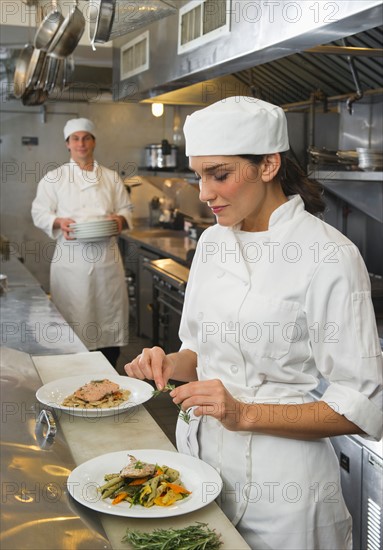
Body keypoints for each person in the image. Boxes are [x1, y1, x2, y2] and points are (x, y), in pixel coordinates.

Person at [124, 97, 383, 549]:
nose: (204, 192)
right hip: (201, 474)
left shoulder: (329, 256)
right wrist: (166, 362)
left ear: (268, 166)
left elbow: (361, 407)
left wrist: (243, 414)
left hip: (286, 496)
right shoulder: (212, 244)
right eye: (200, 174)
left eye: (218, 174)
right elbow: (198, 353)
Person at [32, 118, 133, 367]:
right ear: (67, 144)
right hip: (71, 261)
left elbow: (126, 209)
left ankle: (110, 367)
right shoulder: (53, 178)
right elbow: (39, 212)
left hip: (106, 260)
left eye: (86, 138)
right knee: (73, 317)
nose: (81, 143)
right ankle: (74, 370)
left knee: (108, 318)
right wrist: (58, 222)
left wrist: (119, 219)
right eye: (75, 139)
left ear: (94, 141)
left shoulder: (110, 178)